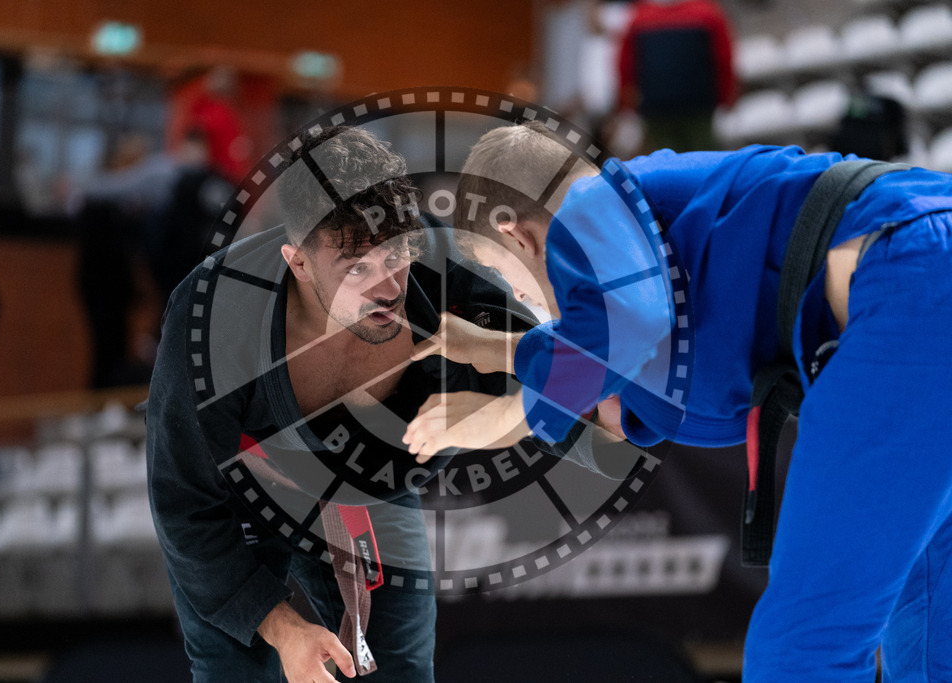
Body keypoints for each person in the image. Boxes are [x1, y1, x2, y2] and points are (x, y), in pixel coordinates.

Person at [403, 121, 952, 681]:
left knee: (803, 646)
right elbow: (621, 339)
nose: (524, 298)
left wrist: (503, 415)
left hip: (913, 278)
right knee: (929, 621)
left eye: (507, 278)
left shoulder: (587, 207)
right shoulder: (648, 221)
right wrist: (498, 350)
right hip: (921, 272)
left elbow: (627, 325)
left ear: (516, 235)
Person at [145, 125, 597, 683]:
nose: (387, 287)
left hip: (370, 488)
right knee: (236, 669)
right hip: (245, 495)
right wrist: (285, 630)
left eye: (396, 255)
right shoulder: (213, 318)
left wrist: (595, 416)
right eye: (356, 267)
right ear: (299, 261)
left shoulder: (451, 272)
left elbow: (557, 372)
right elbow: (185, 503)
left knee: (398, 670)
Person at [614, 0, 736, 153]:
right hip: (699, 105)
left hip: (656, 107)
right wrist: (727, 97)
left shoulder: (638, 18)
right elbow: (724, 59)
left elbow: (625, 67)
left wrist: (626, 105)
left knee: (666, 162)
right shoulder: (709, 13)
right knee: (703, 159)